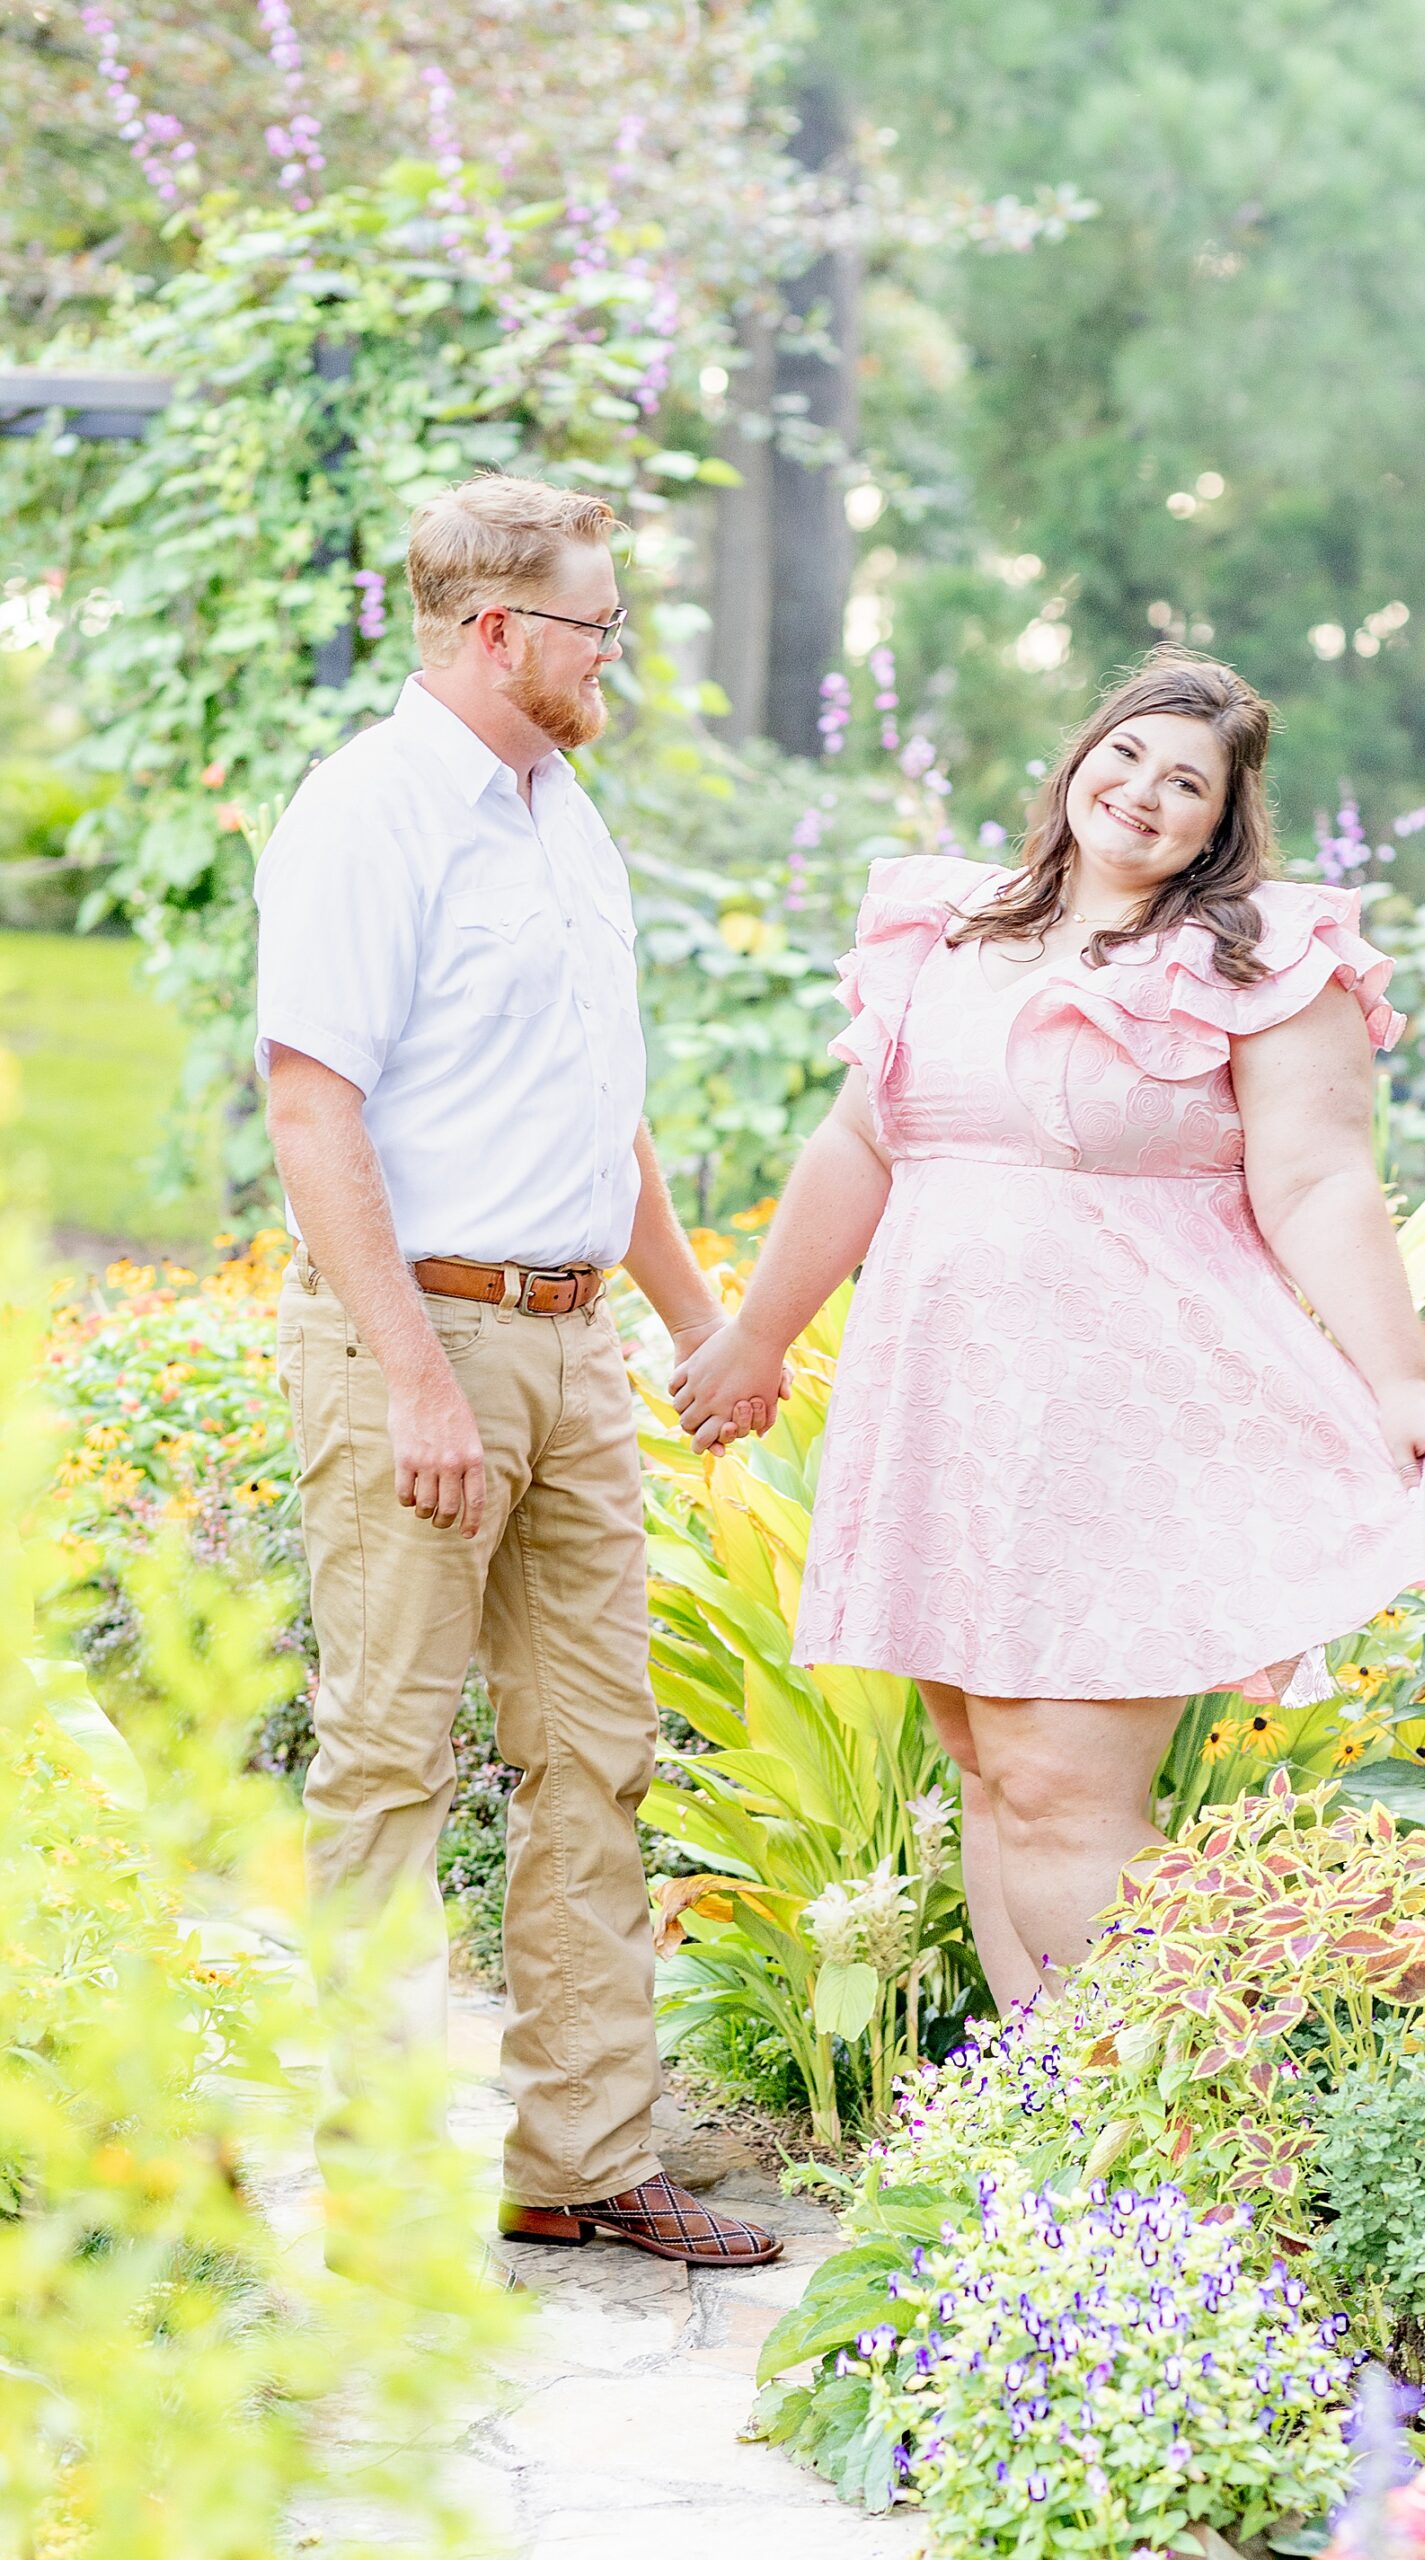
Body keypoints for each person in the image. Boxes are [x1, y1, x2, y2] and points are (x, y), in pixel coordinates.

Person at [671, 649, 1425, 2011]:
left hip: (1131, 1409)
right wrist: (753, 1336)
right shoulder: (951, 930)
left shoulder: (1257, 963)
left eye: (1187, 786)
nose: (1146, 796)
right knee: (991, 1771)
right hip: (955, 1405)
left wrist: (1399, 1378)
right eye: (1128, 757)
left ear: (1222, 826)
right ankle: (1061, 2146)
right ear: (1077, 757)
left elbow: (1320, 1177)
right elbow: (859, 1143)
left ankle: (1230, 2128)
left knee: (1061, 1789)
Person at [258, 472, 779, 2266]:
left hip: (573, 1345)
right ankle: (388, 2181)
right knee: (388, 1762)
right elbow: (312, 1112)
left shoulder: (569, 817)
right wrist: (415, 1383)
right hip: (424, 1339)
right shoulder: (368, 817)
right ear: (501, 633)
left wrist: (701, 1319)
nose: (616, 653)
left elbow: (601, 1117)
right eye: (599, 626)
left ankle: (578, 2153)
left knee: (597, 1760)